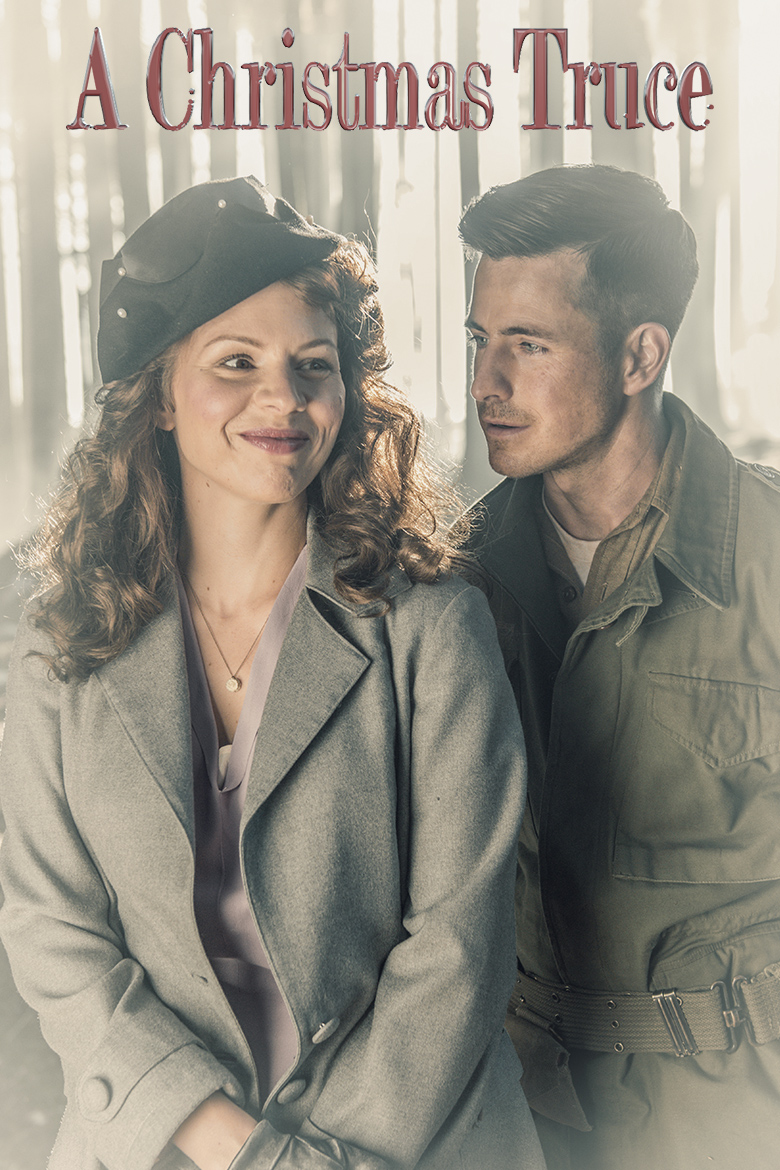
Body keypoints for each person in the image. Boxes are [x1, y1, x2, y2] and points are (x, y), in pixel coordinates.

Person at [0, 177, 546, 1170]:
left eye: (312, 365)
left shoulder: (433, 629)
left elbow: (460, 948)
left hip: (412, 1146)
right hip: (160, 1147)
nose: (284, 398)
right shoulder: (61, 645)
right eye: (236, 362)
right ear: (161, 396)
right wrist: (228, 1143)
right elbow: (53, 931)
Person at [458, 163, 780, 1170]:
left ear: (641, 354)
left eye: (528, 345)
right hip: (521, 1122)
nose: (486, 383)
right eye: (479, 340)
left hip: (736, 1123)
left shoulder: (770, 561)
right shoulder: (453, 583)